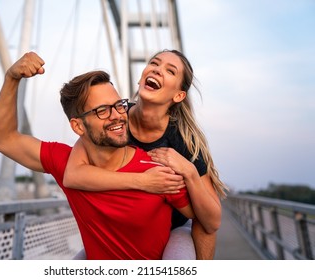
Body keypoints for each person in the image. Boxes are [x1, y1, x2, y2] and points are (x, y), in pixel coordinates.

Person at [0, 51, 195, 259]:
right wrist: (11, 78)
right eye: (102, 110)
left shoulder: (157, 170)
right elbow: (3, 138)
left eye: (118, 106)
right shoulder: (66, 163)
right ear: (78, 126)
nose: (117, 116)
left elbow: (205, 221)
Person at [63, 49, 228, 259]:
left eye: (170, 71)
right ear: (141, 78)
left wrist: (189, 170)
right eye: (154, 63)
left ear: (178, 95)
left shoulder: (183, 139)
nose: (158, 70)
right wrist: (144, 181)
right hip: (126, 229)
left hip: (172, 228)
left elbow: (211, 223)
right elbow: (74, 175)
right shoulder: (115, 119)